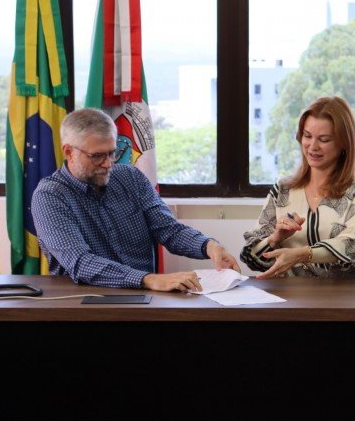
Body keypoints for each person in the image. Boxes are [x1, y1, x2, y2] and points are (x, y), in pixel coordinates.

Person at [31, 108, 240, 292]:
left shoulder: (131, 177)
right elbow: (80, 262)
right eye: (97, 156)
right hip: (85, 302)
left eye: (112, 153)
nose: (108, 164)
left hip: (145, 298)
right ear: (69, 152)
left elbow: (168, 229)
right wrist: (148, 279)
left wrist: (207, 246)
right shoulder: (50, 196)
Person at [241, 96, 355, 278]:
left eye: (324, 139)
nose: (312, 146)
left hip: (353, 299)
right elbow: (251, 258)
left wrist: (302, 254)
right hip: (296, 300)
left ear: (344, 143)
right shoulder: (283, 189)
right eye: (307, 136)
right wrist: (274, 238)